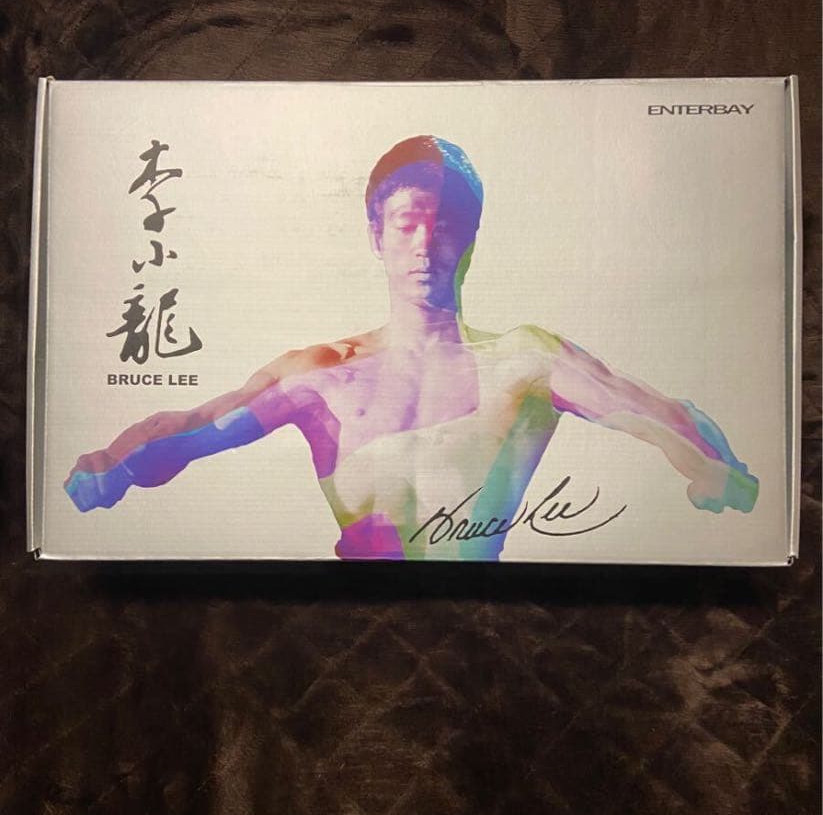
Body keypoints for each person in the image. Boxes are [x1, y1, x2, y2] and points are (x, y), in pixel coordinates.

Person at [65, 136, 759, 561]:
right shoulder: (322, 375)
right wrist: (110, 465)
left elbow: (646, 408)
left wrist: (710, 464)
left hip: (486, 627)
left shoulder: (522, 363)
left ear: (471, 238)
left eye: (445, 224)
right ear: (377, 235)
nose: (425, 244)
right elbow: (192, 428)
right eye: (406, 224)